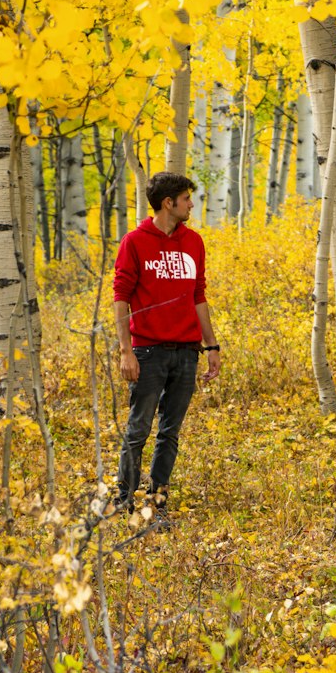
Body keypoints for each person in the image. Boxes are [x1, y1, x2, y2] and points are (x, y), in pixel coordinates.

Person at [113, 172, 220, 514]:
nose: (191, 204)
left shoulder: (194, 242)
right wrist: (126, 351)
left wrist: (211, 346)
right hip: (147, 351)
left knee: (170, 432)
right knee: (138, 429)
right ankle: (124, 498)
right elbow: (120, 297)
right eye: (186, 198)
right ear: (168, 203)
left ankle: (157, 500)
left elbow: (198, 295)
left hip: (187, 352)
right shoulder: (135, 241)